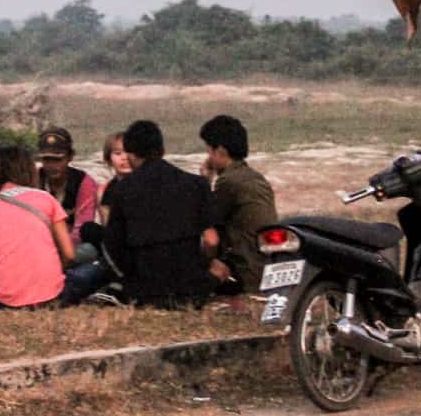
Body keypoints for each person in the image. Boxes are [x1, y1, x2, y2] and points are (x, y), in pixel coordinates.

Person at [0, 145, 106, 308]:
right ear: (28, 168)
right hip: (55, 296)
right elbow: (69, 255)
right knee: (97, 268)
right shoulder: (45, 198)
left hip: (6, 303)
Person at [102, 120, 216, 307]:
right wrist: (201, 267)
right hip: (189, 290)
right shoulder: (196, 184)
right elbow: (211, 241)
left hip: (144, 292)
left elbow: (112, 246)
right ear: (162, 150)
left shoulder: (122, 190)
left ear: (130, 154)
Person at [199, 114, 279, 295]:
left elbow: (206, 218)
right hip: (265, 266)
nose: (208, 158)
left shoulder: (228, 182)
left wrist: (204, 180)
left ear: (220, 151)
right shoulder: (254, 177)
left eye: (209, 152)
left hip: (248, 273)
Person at [36, 126, 100, 232]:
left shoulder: (84, 182)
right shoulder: (33, 180)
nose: (52, 165)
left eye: (57, 160)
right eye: (47, 159)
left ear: (70, 157)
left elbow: (82, 223)